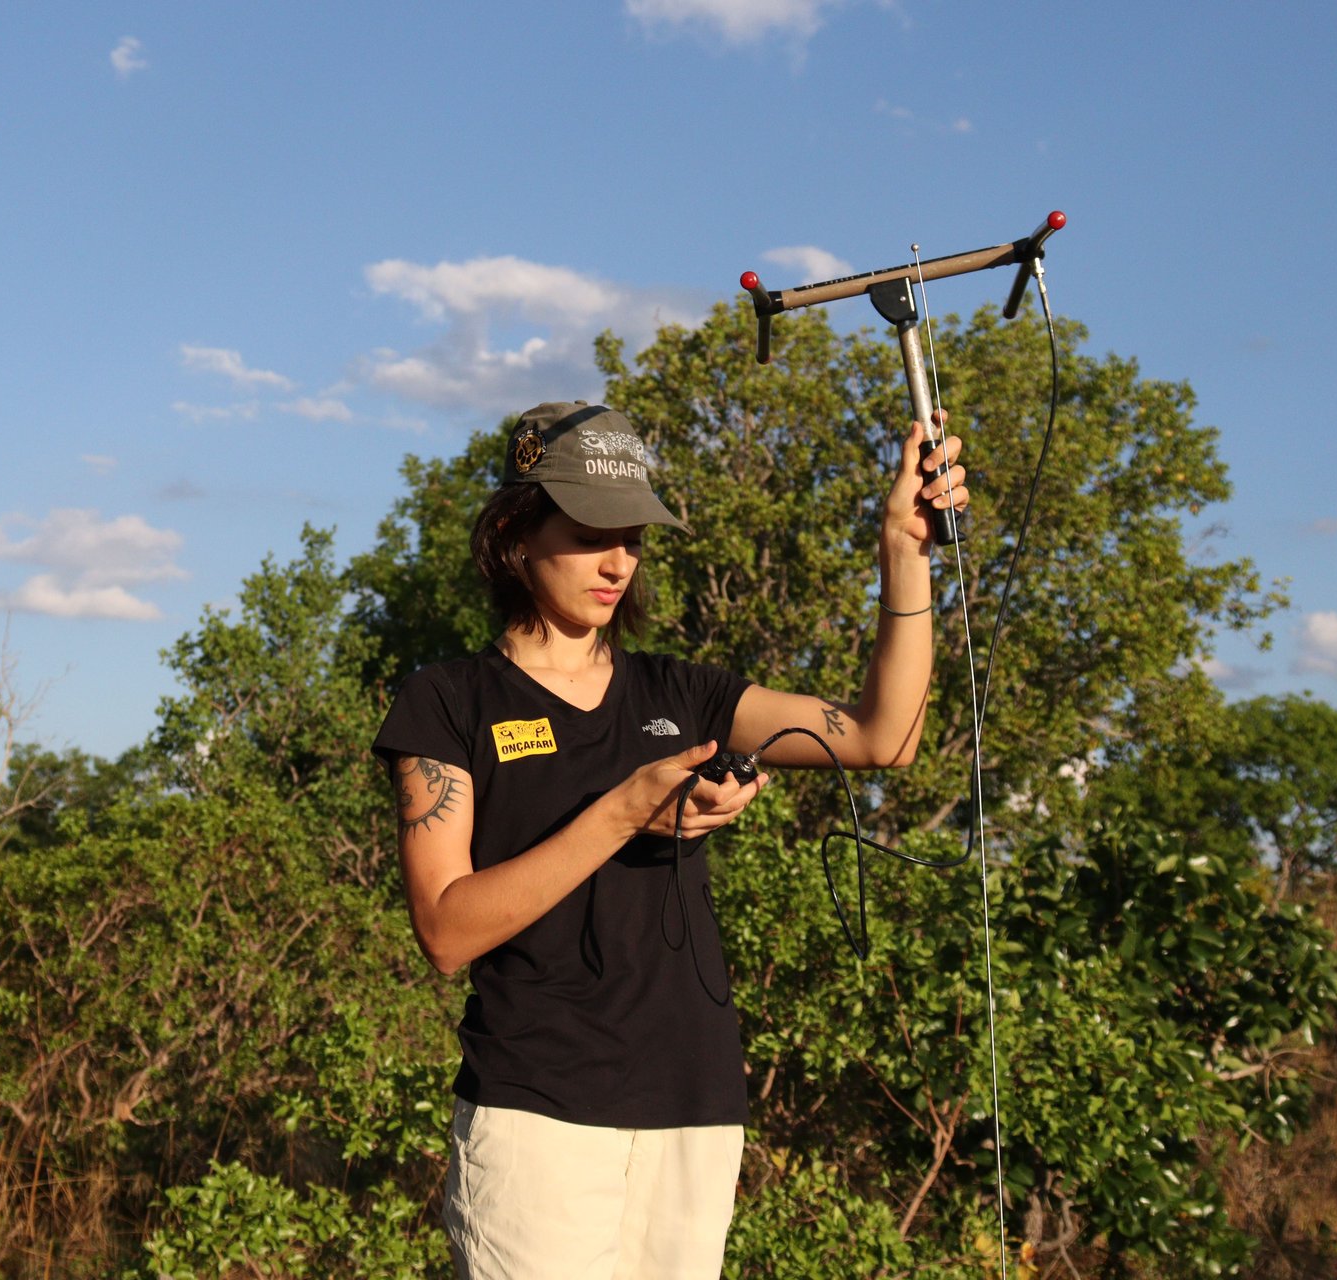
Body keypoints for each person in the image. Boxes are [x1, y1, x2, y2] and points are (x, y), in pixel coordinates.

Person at [370, 400, 967, 1279]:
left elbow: (884, 736)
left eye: (635, 537)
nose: (619, 561)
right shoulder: (448, 703)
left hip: (696, 1106)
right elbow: (447, 932)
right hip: (539, 1115)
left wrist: (902, 552)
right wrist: (623, 812)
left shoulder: (682, 692)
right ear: (515, 533)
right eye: (589, 533)